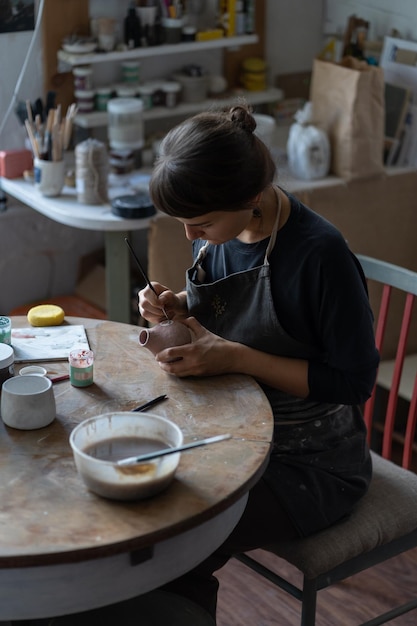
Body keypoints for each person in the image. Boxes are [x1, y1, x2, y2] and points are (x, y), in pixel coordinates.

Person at [138, 104, 379, 620]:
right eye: (182, 223)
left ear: (249, 199)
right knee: (139, 502)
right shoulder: (226, 235)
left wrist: (235, 356)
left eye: (199, 224)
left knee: (177, 543)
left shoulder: (321, 257)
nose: (189, 237)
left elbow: (354, 381)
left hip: (312, 462)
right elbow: (229, 309)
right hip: (236, 430)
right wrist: (179, 304)